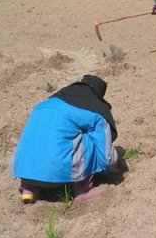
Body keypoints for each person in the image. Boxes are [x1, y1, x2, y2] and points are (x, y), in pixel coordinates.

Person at [12, 74, 119, 204]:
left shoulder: (44, 105)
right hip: (57, 170)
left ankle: (28, 189)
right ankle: (83, 191)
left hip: (24, 169)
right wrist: (111, 167)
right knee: (89, 139)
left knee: (39, 136)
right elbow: (107, 158)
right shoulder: (93, 113)